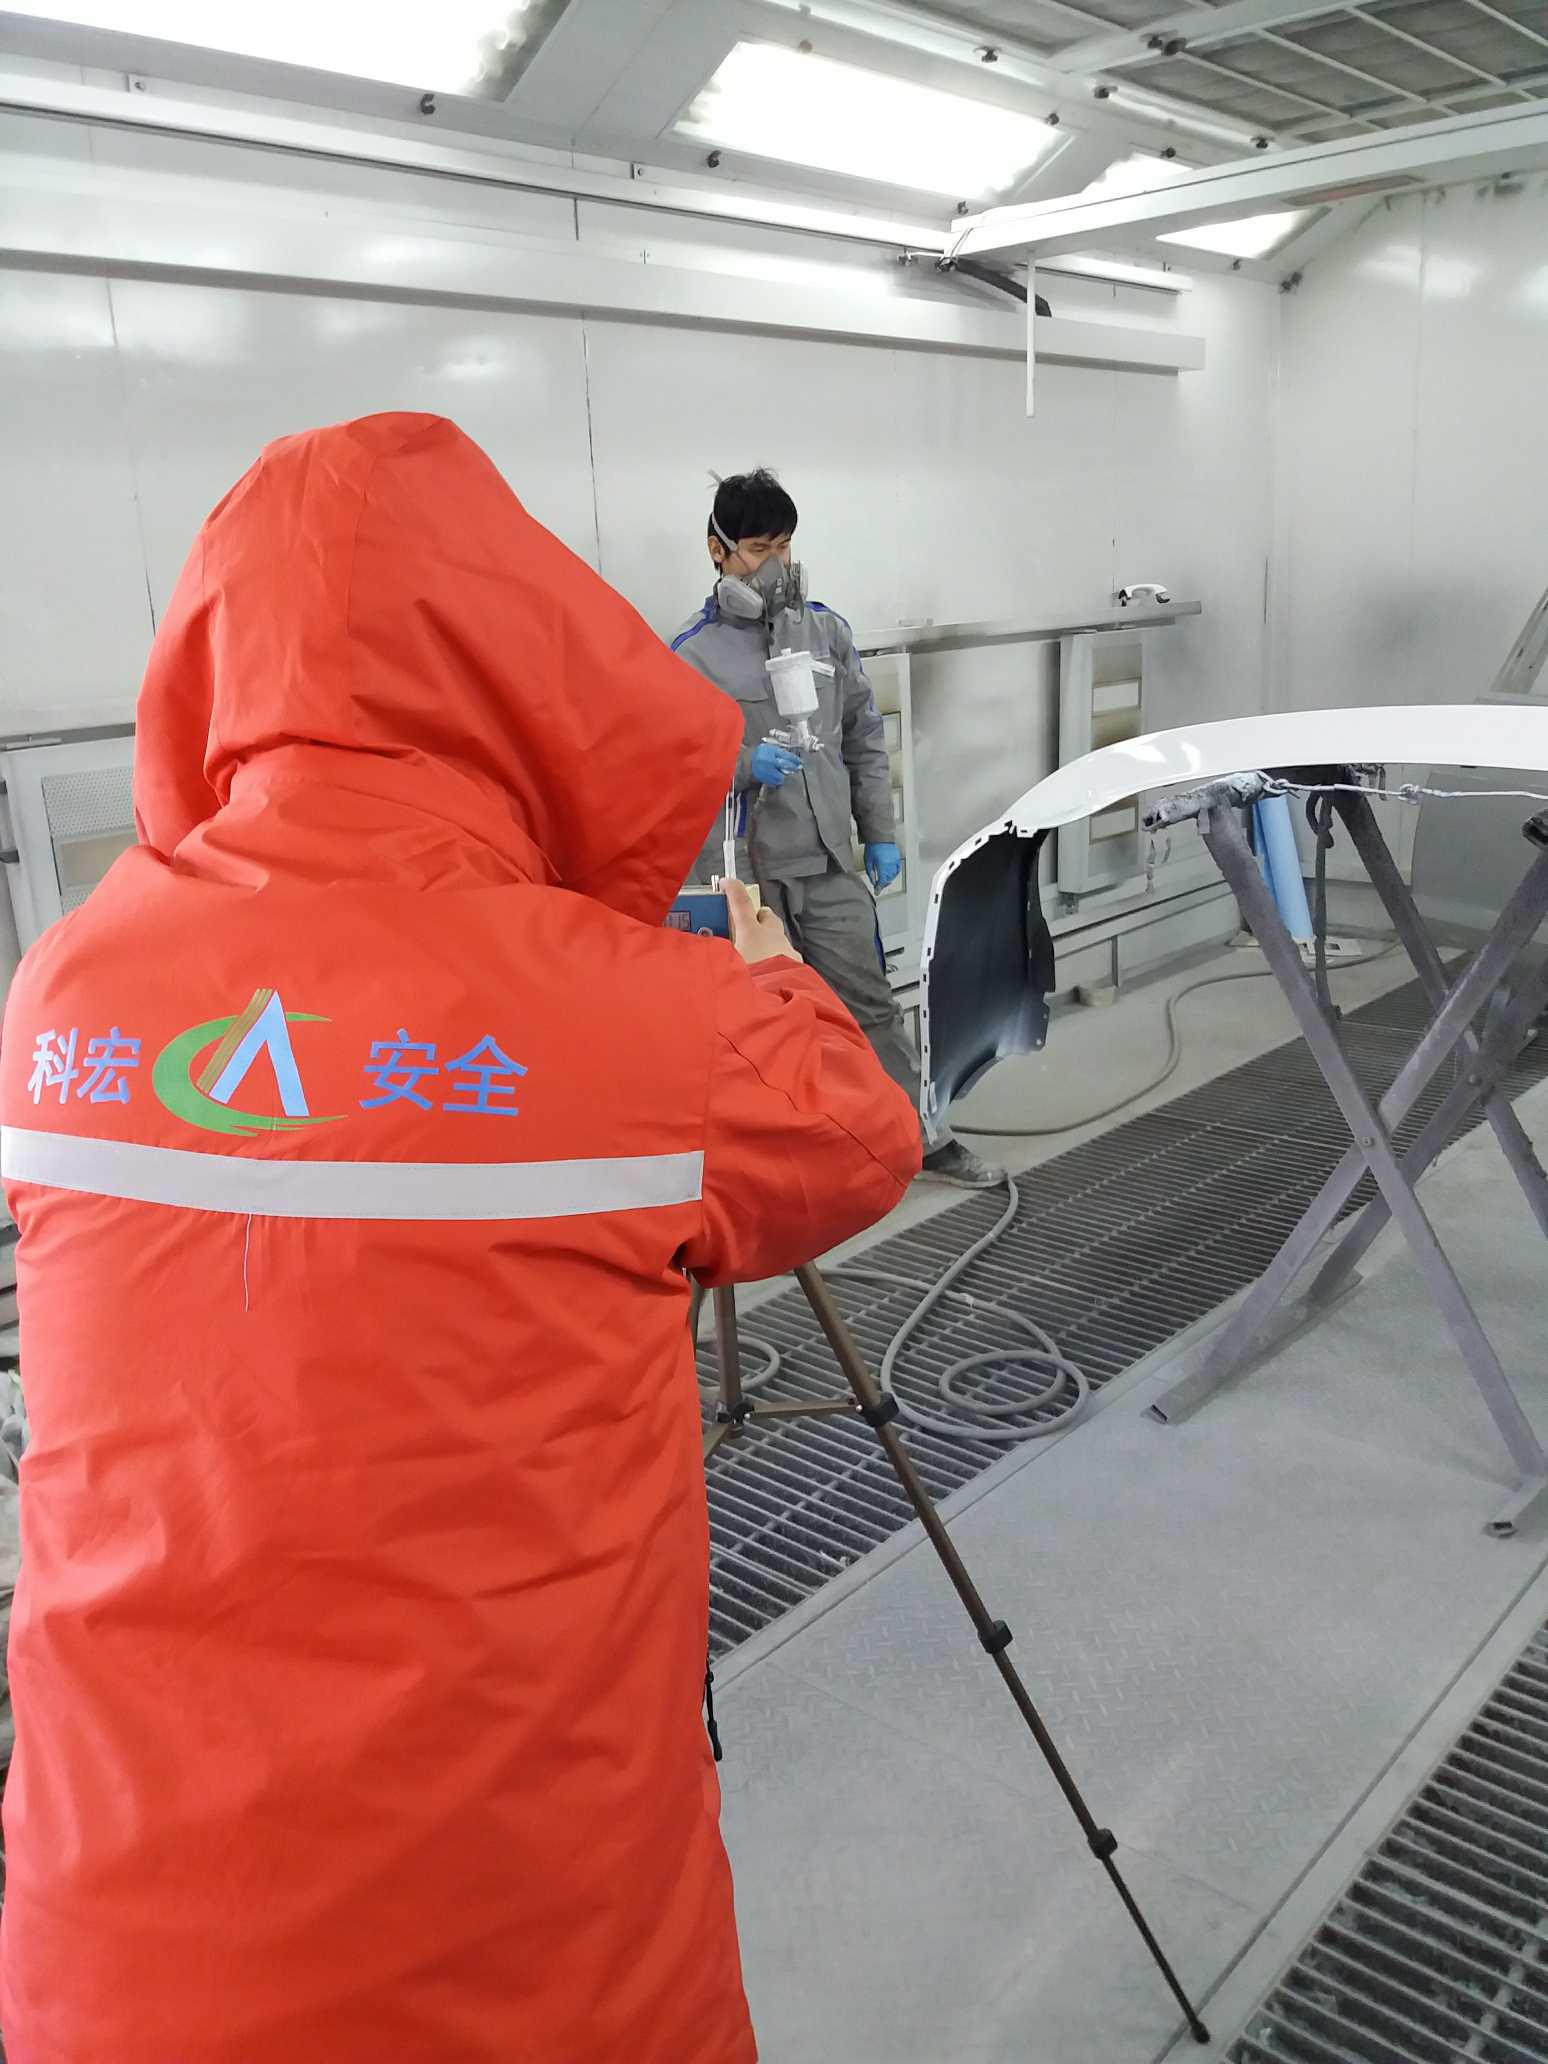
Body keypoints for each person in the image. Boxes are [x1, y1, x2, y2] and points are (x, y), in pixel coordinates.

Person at [0, 413, 921, 2064]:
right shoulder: (640, 1019)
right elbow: (860, 1136)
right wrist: (757, 961)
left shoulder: (61, 990)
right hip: (531, 1963)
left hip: (105, 1955)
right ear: (528, 663)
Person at [672, 469, 1000, 1189]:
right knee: (759, 1025)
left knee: (868, 1002)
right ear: (718, 550)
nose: (775, 565)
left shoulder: (825, 631)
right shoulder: (689, 656)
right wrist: (743, 764)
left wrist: (878, 831)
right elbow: (670, 760)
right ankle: (792, 1165)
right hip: (748, 879)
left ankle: (922, 1137)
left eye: (784, 546)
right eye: (758, 548)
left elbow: (862, 737)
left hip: (827, 862)